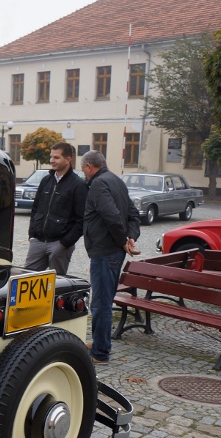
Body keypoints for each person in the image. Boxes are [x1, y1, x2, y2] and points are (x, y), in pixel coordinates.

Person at [81, 150, 141, 364]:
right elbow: (133, 215)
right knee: (102, 299)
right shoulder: (116, 180)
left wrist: (124, 240)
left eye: (83, 169)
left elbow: (112, 216)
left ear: (89, 166)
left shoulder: (99, 184)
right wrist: (131, 236)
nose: (84, 174)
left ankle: (100, 353)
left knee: (101, 303)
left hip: (105, 251)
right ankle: (100, 341)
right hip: (111, 250)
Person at [25, 142, 87, 275]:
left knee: (57, 282)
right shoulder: (46, 181)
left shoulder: (78, 185)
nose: (52, 160)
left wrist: (65, 243)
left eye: (56, 157)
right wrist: (32, 235)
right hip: (38, 241)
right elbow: (35, 209)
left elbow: (82, 219)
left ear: (68, 160)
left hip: (59, 244)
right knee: (27, 278)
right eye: (51, 157)